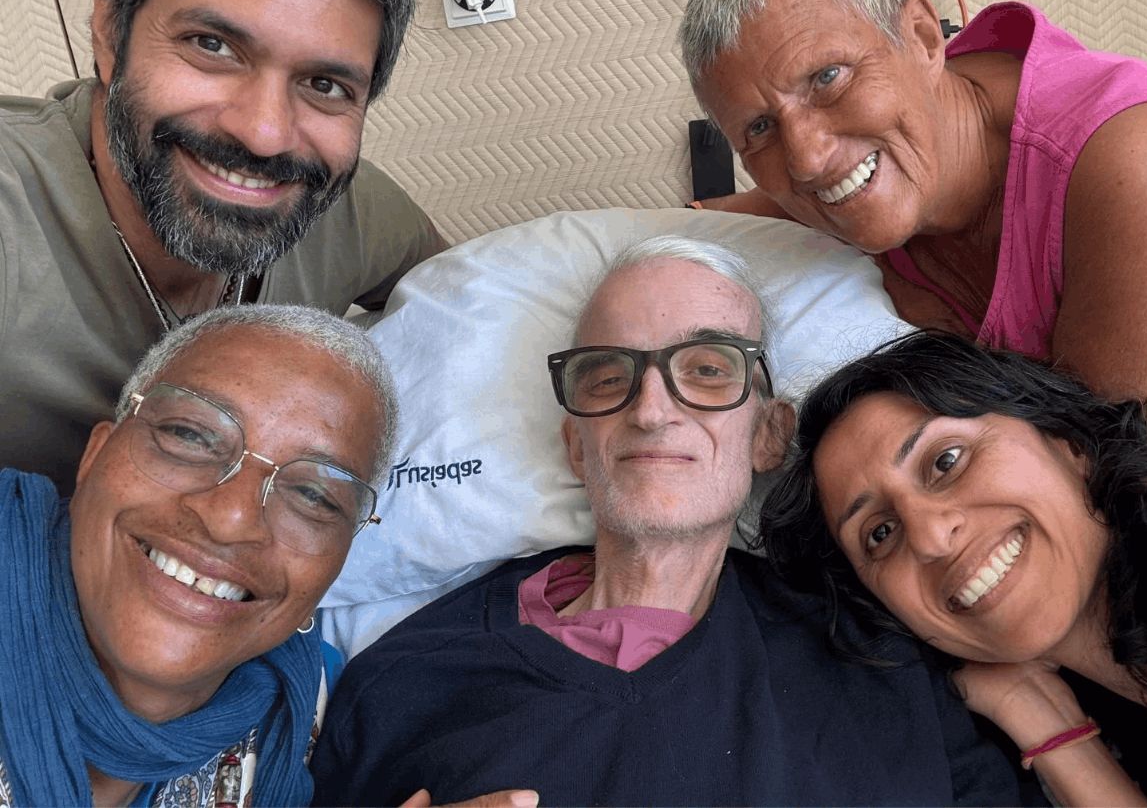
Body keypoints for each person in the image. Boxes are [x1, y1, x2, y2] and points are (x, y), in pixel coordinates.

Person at [308, 237, 1020, 807]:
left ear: (769, 433)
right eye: (608, 377)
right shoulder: (404, 683)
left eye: (708, 370)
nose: (650, 409)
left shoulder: (876, 657)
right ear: (575, 445)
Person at [680, 0, 1147, 459]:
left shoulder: (1146, 171)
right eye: (759, 128)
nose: (808, 159)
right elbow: (736, 210)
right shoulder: (859, 167)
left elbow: (1140, 506)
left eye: (828, 77)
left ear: (921, 37)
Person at [1, 0, 448, 494]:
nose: (264, 133)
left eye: (324, 85)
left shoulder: (349, 212)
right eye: (212, 46)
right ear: (109, 31)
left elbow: (476, 303)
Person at [759, 329, 1147, 807]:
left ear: (1066, 439)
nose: (931, 538)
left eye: (946, 461)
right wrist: (1042, 722)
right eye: (880, 533)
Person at [0, 302, 399, 805]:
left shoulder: (305, 705)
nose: (231, 519)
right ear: (95, 456)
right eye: (189, 435)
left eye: (313, 496)